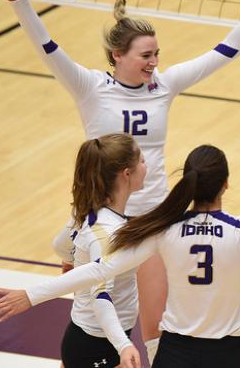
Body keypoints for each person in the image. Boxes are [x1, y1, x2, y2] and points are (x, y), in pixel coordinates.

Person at [0, 0, 240, 359]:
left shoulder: (163, 86)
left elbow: (224, 52)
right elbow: (47, 47)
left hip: (153, 219)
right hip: (102, 219)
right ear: (118, 55)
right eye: (146, 55)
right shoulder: (90, 87)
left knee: (154, 327)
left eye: (157, 54)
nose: (154, 63)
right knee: (95, 314)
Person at [0, 145, 240, 368]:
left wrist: (31, 295)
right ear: (226, 184)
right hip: (225, 356)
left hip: (175, 354)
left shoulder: (164, 229)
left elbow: (99, 271)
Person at [62, 133, 146, 367]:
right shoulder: (109, 233)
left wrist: (75, 261)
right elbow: (101, 296)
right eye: (141, 161)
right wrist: (123, 345)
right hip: (96, 343)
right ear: (126, 174)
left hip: (89, 336)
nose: (145, 165)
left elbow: (59, 244)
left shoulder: (88, 211)